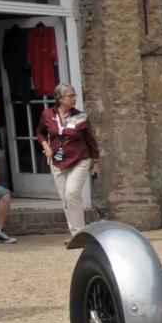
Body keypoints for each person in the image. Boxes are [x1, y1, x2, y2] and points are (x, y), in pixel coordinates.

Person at [35, 83, 101, 238]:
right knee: (66, 198)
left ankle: (79, 234)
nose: (74, 98)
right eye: (71, 96)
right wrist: (46, 147)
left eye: (74, 95)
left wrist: (96, 162)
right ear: (60, 98)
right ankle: (76, 233)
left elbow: (90, 140)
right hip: (57, 161)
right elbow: (40, 133)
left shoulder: (81, 116)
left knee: (72, 194)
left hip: (79, 159)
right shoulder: (47, 115)